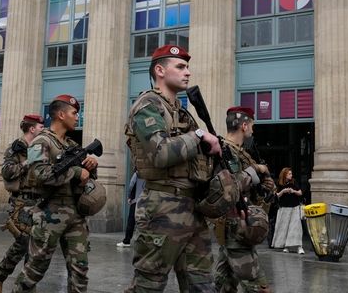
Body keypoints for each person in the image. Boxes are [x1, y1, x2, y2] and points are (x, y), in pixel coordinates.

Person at [124, 44, 222, 293]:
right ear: (160, 70)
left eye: (187, 67)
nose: (187, 72)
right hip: (162, 207)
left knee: (202, 285)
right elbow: (161, 152)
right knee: (149, 285)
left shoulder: (182, 112)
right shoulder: (147, 106)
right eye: (180, 66)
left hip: (193, 208)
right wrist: (200, 135)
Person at [13, 95, 99, 293]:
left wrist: (91, 167)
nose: (77, 117)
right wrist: (77, 171)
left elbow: (86, 177)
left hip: (75, 214)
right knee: (35, 269)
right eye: (74, 113)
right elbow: (39, 174)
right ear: (61, 115)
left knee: (80, 270)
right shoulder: (40, 142)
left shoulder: (71, 146)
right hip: (50, 213)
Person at [214, 106, 273, 293]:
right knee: (257, 286)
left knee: (223, 284)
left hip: (237, 224)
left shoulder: (241, 152)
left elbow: (248, 187)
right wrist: (256, 170)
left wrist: (265, 186)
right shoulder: (223, 151)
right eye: (252, 126)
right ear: (244, 126)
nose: (253, 130)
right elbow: (229, 187)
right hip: (235, 224)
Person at [0, 113, 45, 293]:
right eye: (40, 126)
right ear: (32, 128)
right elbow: (6, 172)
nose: (43, 129)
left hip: (39, 202)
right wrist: (28, 162)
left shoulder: (40, 147)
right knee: (22, 243)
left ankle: (27, 287)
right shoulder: (16, 148)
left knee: (35, 248)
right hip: (21, 202)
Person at [272, 167, 304, 254]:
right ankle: (286, 246)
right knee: (284, 227)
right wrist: (283, 191)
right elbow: (276, 196)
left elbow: (300, 193)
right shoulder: (279, 183)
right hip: (284, 208)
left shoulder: (294, 182)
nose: (291, 175)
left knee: (296, 227)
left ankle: (299, 246)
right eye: (289, 174)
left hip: (294, 207)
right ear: (285, 175)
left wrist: (293, 191)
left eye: (291, 173)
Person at [117, 170, 145, 248]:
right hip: (147, 200)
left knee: (131, 221)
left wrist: (129, 197)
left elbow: (131, 185)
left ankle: (127, 241)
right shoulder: (151, 174)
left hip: (136, 200)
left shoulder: (137, 173)